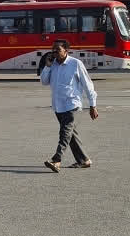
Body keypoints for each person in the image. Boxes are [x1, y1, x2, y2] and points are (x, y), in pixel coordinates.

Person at [39, 40, 98, 172]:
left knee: (65, 133)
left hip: (72, 105)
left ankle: (56, 160)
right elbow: (44, 81)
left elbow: (88, 85)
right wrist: (47, 66)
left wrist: (93, 105)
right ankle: (84, 160)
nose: (54, 53)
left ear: (66, 50)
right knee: (70, 135)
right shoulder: (52, 65)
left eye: (58, 50)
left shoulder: (75, 64)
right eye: (53, 50)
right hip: (58, 105)